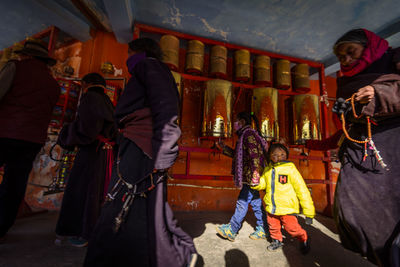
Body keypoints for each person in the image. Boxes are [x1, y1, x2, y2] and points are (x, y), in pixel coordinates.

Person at [84, 38, 197, 267]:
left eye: (129, 54)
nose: (127, 60)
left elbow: (166, 108)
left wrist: (164, 150)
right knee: (141, 208)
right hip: (140, 145)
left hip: (141, 147)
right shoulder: (149, 70)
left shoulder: (149, 66)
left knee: (123, 205)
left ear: (138, 53)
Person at [330, 28, 400, 266]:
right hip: (358, 149)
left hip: (393, 143)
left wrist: (379, 93)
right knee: (351, 214)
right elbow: (343, 124)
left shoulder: (394, 59)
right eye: (341, 57)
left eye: (351, 52)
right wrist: (343, 112)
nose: (346, 60)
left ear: (368, 46)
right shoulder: (345, 82)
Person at [0, 40, 60, 241]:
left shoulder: (16, 67)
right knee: (14, 184)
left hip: (5, 132)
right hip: (32, 139)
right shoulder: (53, 84)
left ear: (28, 56)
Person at [54, 73, 116, 247]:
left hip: (92, 152)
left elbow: (87, 130)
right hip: (103, 153)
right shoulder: (107, 101)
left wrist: (67, 134)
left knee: (84, 191)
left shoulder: (90, 97)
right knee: (96, 193)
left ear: (86, 84)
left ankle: (84, 233)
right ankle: (93, 231)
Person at [252, 143, 314, 253]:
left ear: (287, 155)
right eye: (274, 154)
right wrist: (256, 183)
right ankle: (276, 241)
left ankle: (304, 237)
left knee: (292, 228)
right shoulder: (268, 170)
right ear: (270, 156)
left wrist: (309, 212)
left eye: (282, 154)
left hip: (287, 208)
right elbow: (263, 184)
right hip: (272, 207)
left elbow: (302, 190)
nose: (279, 157)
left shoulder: (291, 170)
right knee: (273, 227)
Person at [216, 111, 268, 241]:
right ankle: (264, 228)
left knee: (242, 201)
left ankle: (232, 229)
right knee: (256, 202)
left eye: (237, 121)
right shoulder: (244, 135)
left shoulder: (249, 134)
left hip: (250, 177)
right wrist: (224, 148)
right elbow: (239, 155)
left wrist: (255, 176)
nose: (235, 124)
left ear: (243, 122)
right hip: (249, 176)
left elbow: (254, 155)